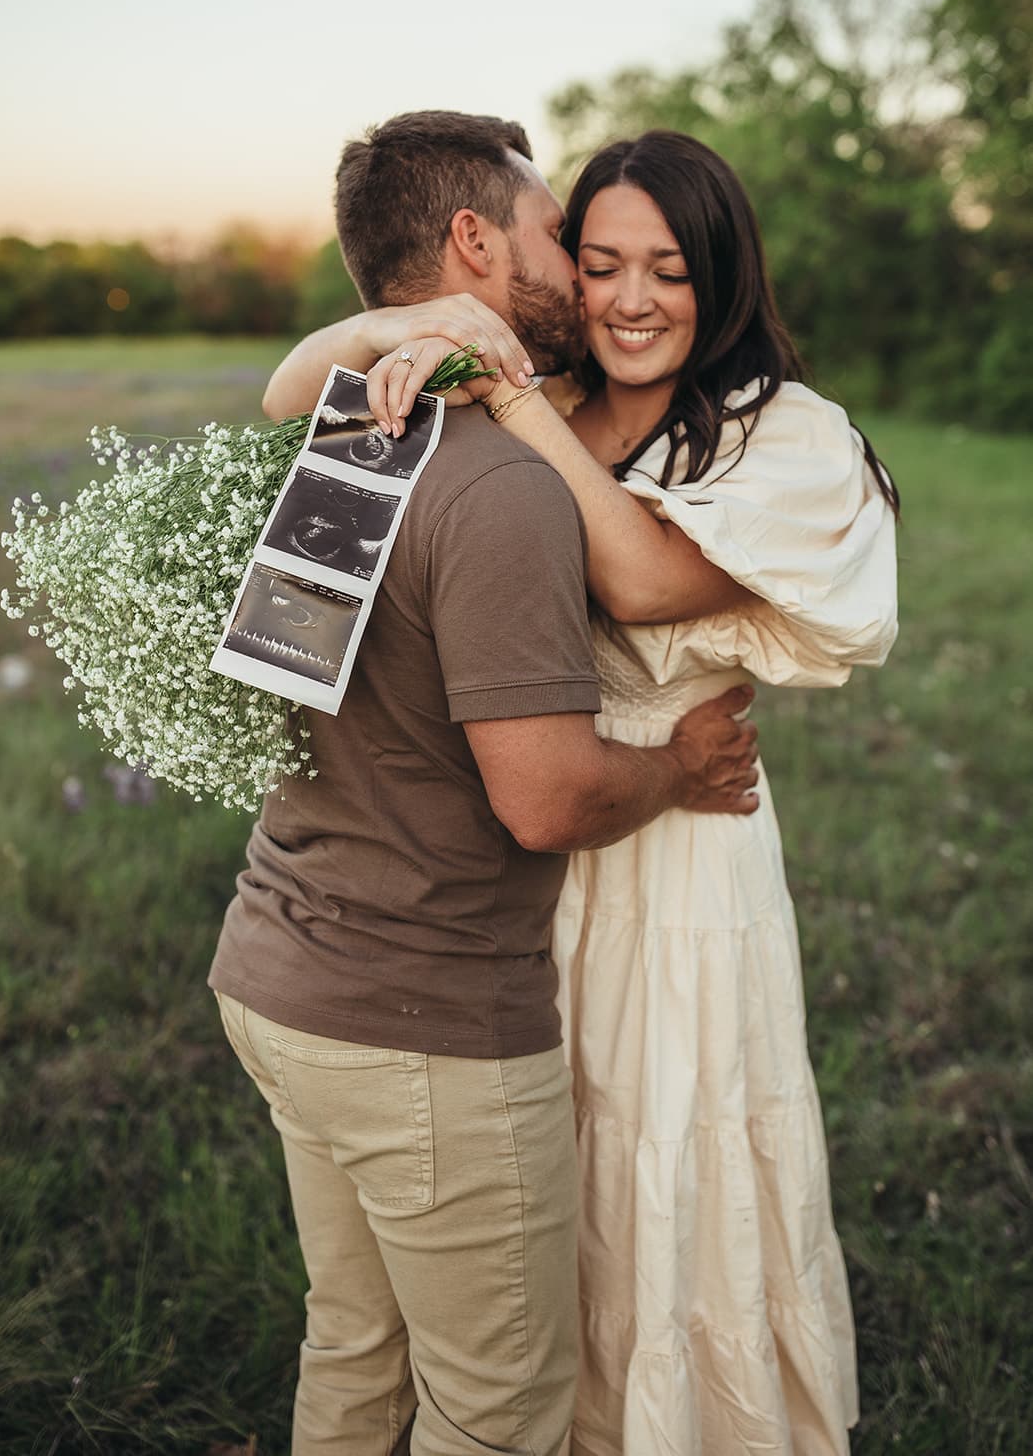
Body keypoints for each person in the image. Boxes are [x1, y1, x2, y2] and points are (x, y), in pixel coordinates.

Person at [265, 128, 900, 1455]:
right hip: (521, 839)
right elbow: (286, 394)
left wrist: (500, 398)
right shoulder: (534, 381)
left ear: (719, 274)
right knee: (517, 1200)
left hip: (679, 856)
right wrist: (438, 319)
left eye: (667, 268)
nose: (625, 297)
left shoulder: (785, 432)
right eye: (597, 260)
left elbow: (649, 582)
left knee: (661, 1160)